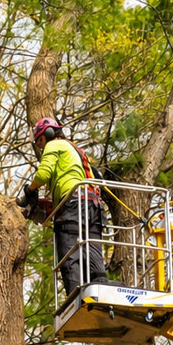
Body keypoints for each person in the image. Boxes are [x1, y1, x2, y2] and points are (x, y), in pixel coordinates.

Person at [22, 117, 107, 297]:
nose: (41, 146)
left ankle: (74, 298)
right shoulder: (77, 151)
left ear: (48, 134)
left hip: (74, 204)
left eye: (40, 141)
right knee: (92, 250)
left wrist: (29, 190)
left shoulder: (54, 145)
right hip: (92, 205)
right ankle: (100, 288)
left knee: (69, 252)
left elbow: (44, 173)